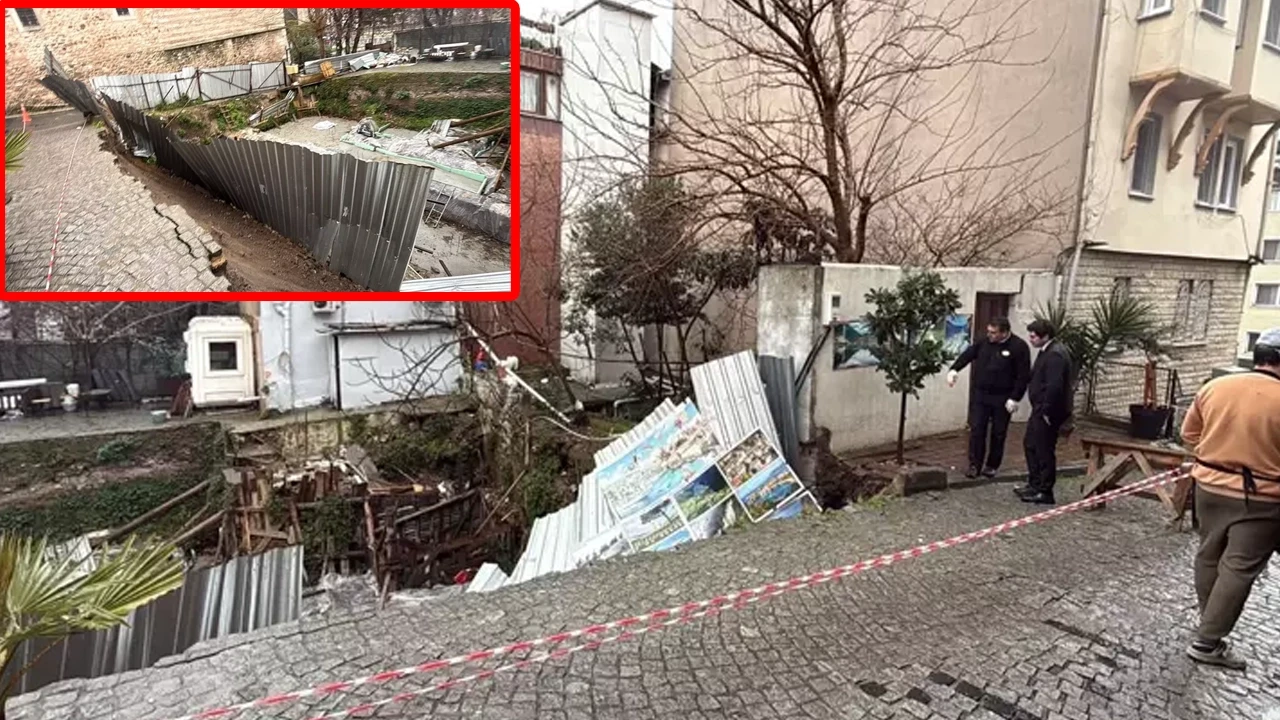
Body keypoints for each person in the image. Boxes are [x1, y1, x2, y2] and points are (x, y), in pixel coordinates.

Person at [1179, 326, 1280, 670]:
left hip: (1208, 485)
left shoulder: (1215, 387)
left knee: (1208, 555)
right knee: (1239, 566)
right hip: (1263, 497)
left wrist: (1217, 457)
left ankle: (1210, 622)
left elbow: (1189, 433)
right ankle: (1207, 641)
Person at [946, 317, 1031, 479]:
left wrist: (1015, 397)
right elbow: (968, 355)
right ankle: (974, 464)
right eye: (989, 332)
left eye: (994, 333)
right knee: (977, 429)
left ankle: (992, 464)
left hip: (1003, 396)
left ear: (1004, 332)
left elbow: (1023, 375)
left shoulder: (1019, 347)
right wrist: (954, 369)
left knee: (998, 432)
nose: (990, 335)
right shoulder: (983, 342)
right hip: (981, 394)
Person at [1016, 319, 1073, 505]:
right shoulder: (1046, 352)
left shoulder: (1055, 355)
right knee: (1031, 445)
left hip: (1047, 411)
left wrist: (1047, 410)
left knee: (1044, 449)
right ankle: (1035, 483)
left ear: (1045, 336)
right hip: (1039, 409)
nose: (1030, 339)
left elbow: (1054, 386)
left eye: (1033, 336)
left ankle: (1045, 490)